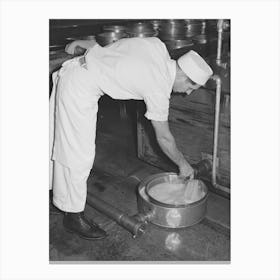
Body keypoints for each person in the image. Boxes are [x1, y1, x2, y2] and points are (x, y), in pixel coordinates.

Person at [49, 37, 213, 240]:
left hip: (75, 70)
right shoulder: (159, 86)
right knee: (78, 154)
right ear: (184, 75)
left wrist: (89, 45)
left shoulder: (158, 47)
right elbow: (164, 138)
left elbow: (120, 47)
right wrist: (184, 165)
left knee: (56, 140)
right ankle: (72, 216)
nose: (187, 94)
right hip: (79, 88)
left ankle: (57, 197)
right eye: (190, 88)